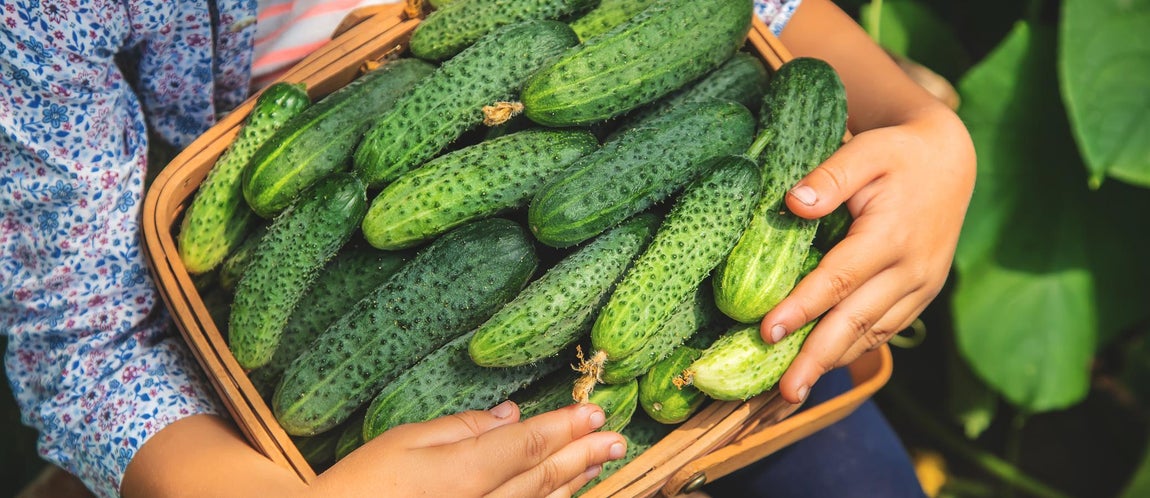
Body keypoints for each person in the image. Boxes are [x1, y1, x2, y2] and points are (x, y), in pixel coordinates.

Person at [2, 0, 975, 496]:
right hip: (251, 423)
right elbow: (86, 351)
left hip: (722, 322)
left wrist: (927, 135)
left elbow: (754, 12)